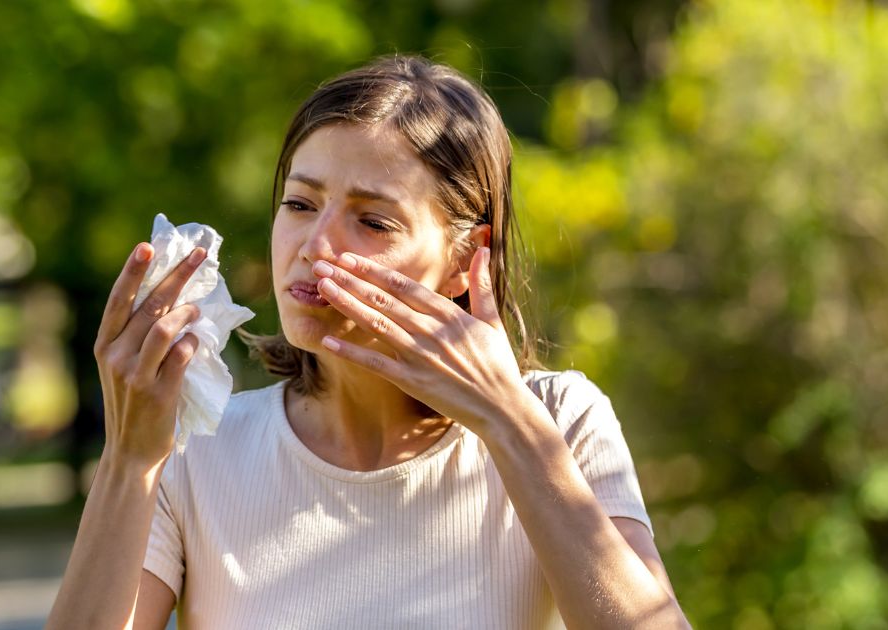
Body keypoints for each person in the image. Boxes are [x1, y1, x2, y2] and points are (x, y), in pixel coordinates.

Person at [46, 55, 689, 630]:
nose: (314, 246)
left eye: (373, 220)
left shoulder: (561, 423)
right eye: (299, 204)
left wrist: (510, 422)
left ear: (466, 258)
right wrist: (128, 460)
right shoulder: (195, 453)